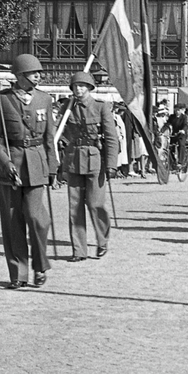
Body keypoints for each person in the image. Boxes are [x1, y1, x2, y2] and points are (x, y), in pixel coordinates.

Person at [0, 54, 58, 288]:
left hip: (37, 164)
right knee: (12, 221)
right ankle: (18, 274)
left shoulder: (45, 99)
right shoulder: (0, 100)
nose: (38, 76)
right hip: (11, 166)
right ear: (19, 75)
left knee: (37, 218)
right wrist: (5, 163)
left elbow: (49, 137)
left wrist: (52, 168)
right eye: (33, 73)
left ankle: (40, 264)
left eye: (38, 73)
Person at [55, 71, 117, 261]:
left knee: (96, 204)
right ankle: (79, 251)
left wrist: (112, 164)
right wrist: (60, 139)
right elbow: (56, 130)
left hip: (95, 161)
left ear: (90, 88)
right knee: (75, 208)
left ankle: (102, 240)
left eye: (82, 86)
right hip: (73, 160)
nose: (78, 89)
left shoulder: (100, 107)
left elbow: (111, 137)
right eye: (75, 86)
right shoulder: (67, 107)